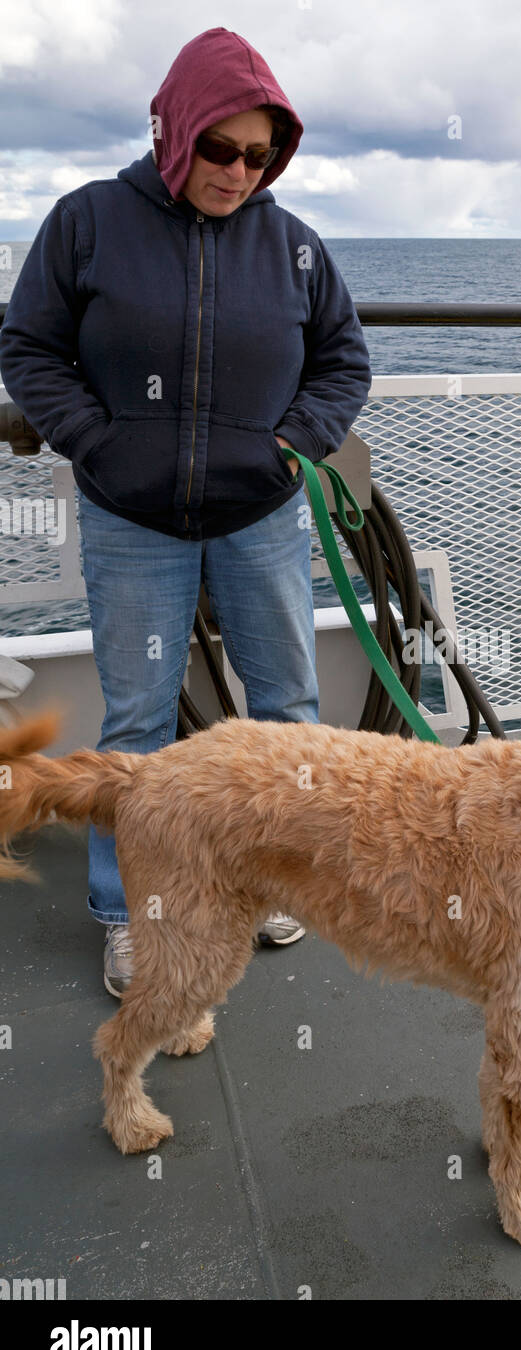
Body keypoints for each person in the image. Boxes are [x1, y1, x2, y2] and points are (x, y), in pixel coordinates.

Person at [0, 28, 372, 996]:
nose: (237, 171)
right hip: (134, 523)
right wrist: (99, 438)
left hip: (261, 519)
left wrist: (295, 440)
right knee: (136, 727)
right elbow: (29, 347)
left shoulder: (294, 246)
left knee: (286, 707)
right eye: (219, 147)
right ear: (175, 130)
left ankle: (278, 874)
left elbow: (345, 360)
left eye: (259, 155)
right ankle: (130, 914)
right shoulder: (88, 223)